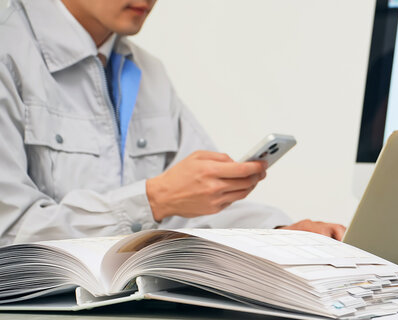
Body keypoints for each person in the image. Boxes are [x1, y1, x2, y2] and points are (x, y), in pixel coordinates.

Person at [0, 0, 345, 245]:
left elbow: (196, 209)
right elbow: (10, 232)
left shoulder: (148, 73)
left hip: (128, 314)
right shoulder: (8, 54)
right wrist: (153, 200)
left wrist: (281, 232)